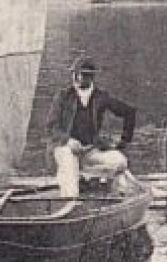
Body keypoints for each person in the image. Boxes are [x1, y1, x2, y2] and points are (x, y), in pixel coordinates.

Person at [48, 58, 136, 198]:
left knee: (120, 162)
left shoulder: (101, 97)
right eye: (75, 74)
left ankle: (91, 184)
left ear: (91, 77)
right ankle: (71, 201)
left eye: (82, 75)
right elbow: (52, 126)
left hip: (90, 150)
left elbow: (129, 112)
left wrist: (124, 141)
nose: (77, 78)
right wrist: (68, 140)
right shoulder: (63, 97)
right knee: (69, 169)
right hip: (64, 148)